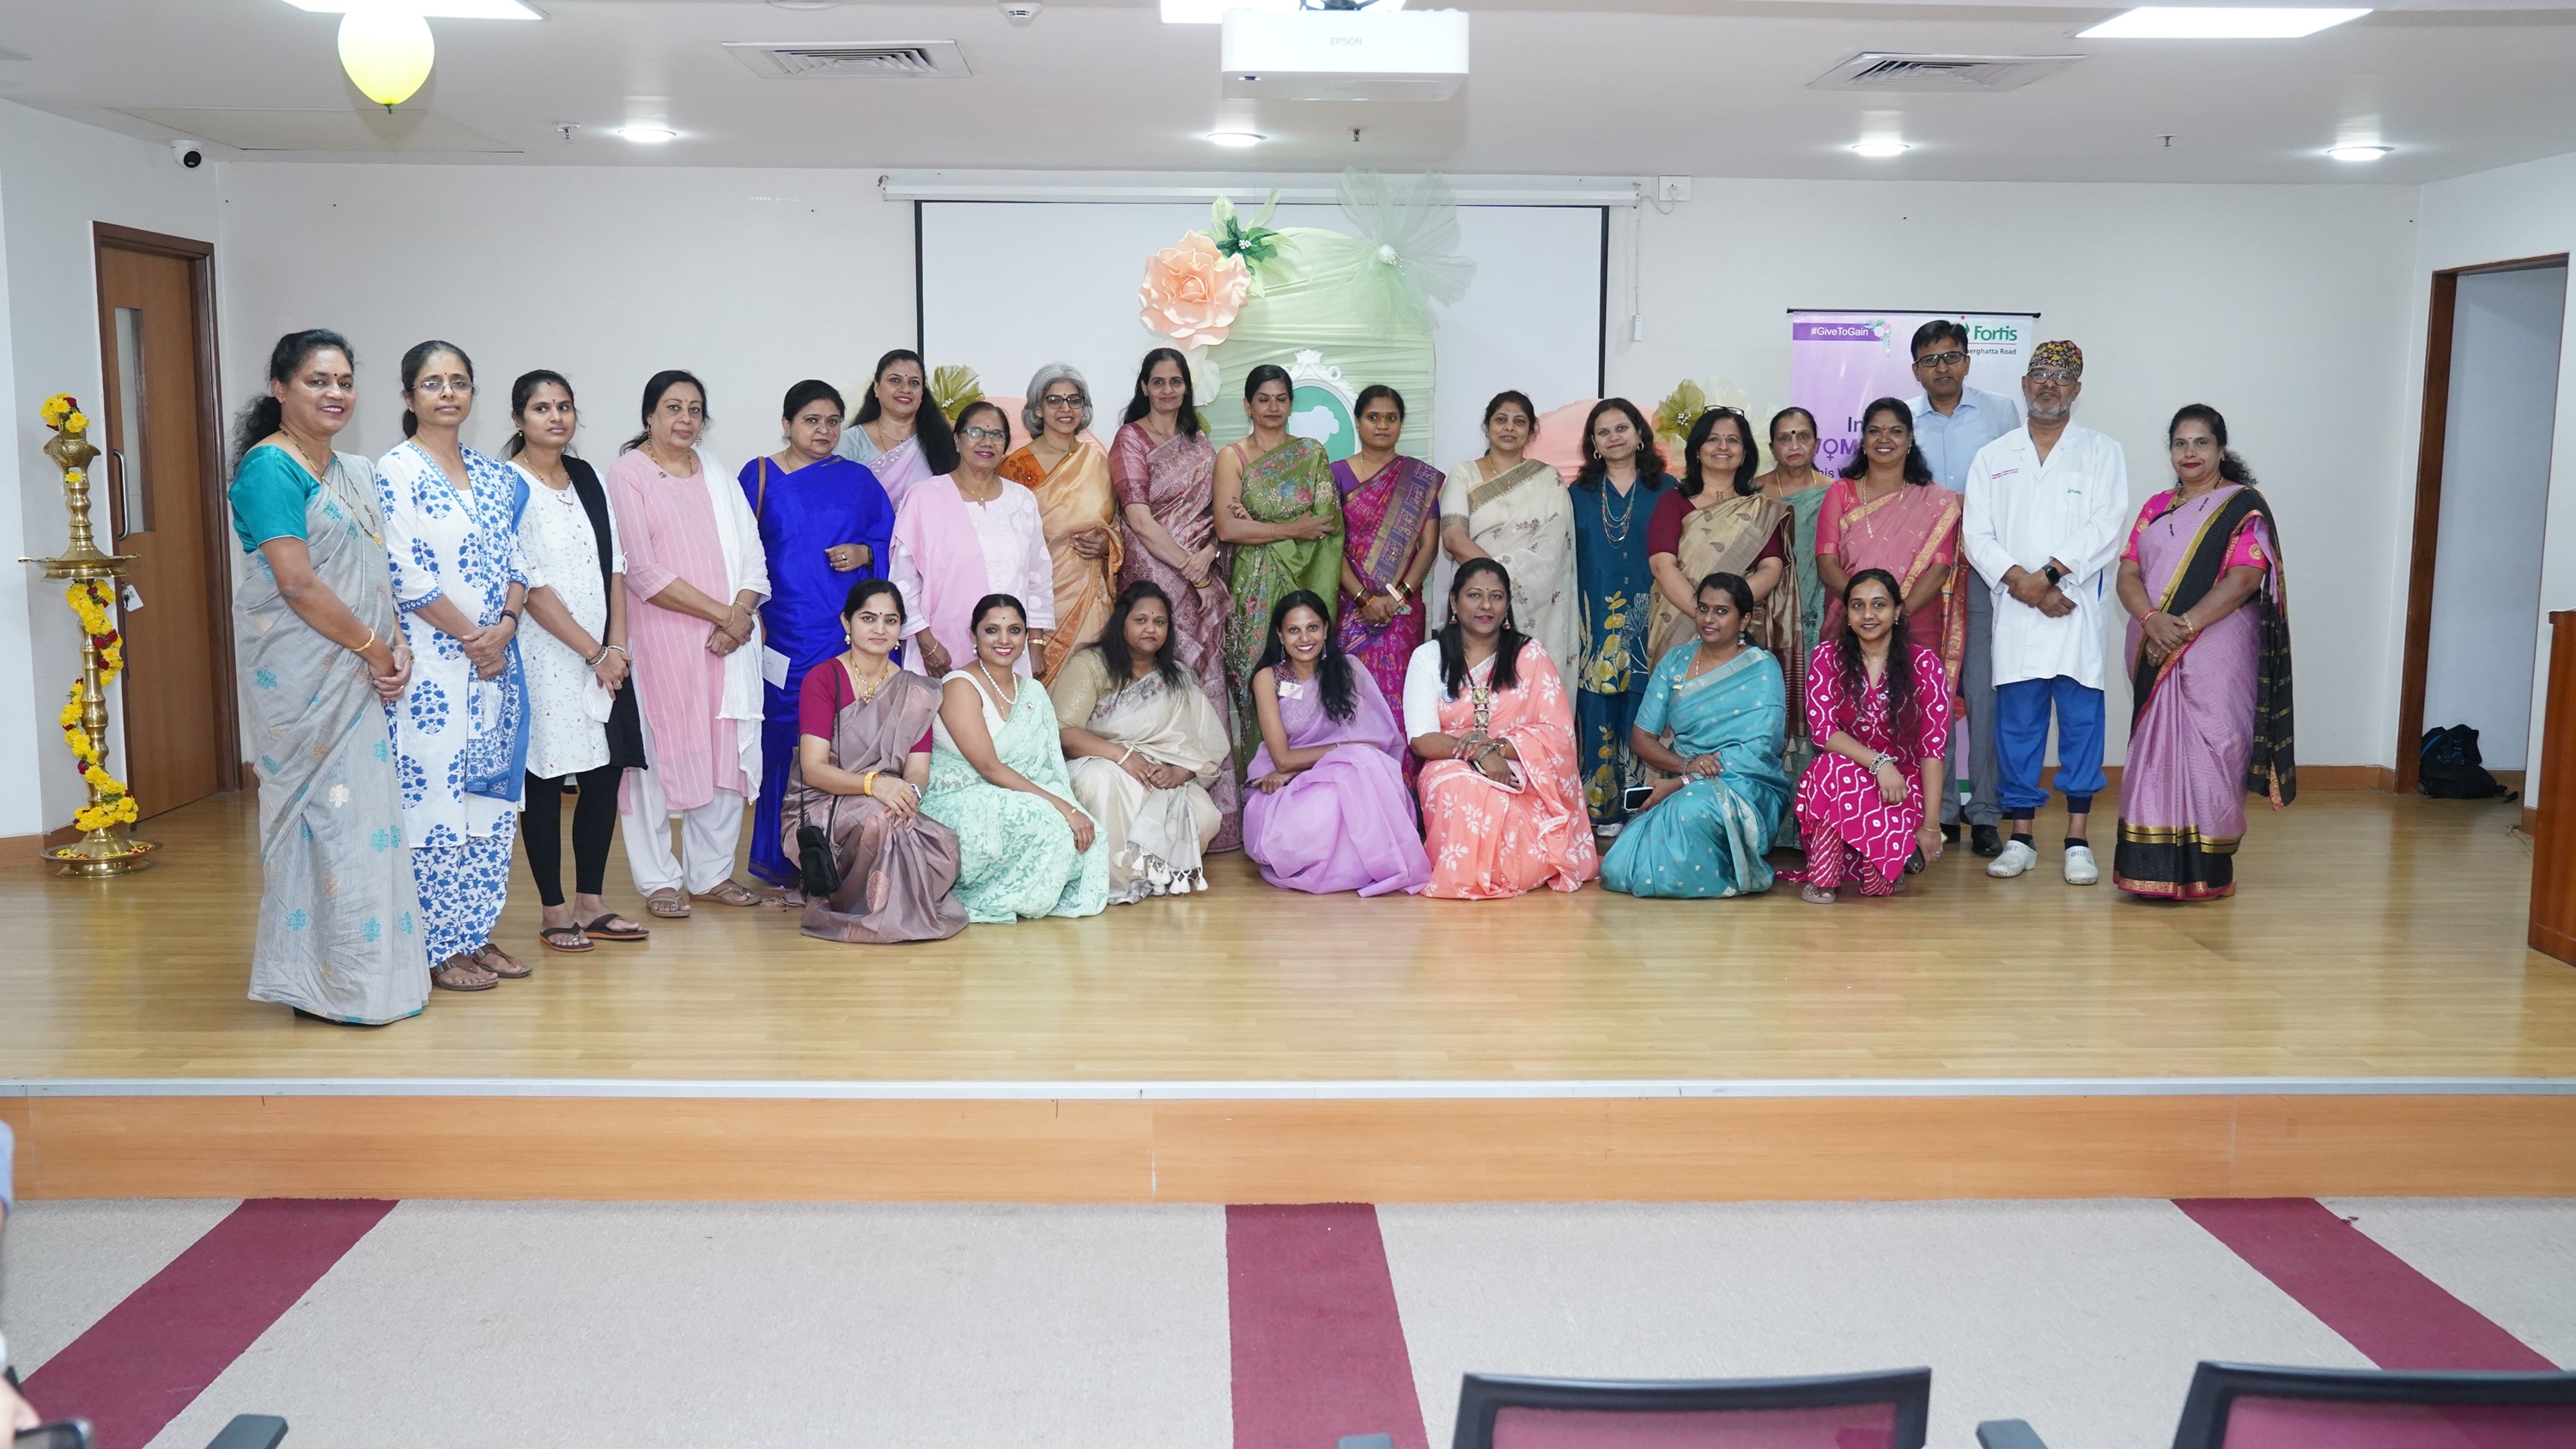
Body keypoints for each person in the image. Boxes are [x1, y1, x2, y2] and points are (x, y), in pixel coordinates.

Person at [228, 329, 427, 1023]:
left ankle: (368, 979)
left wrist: (395, 642)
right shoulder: (270, 470)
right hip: (304, 679)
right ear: (280, 388)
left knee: (368, 826)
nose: (335, 393)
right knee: (329, 824)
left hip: (360, 665)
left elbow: (374, 568)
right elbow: (297, 585)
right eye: (317, 381)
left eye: (344, 381)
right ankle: (325, 986)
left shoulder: (354, 471)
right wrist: (375, 650)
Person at [378, 340, 533, 991]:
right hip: (432, 674)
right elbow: (403, 570)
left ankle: (475, 931)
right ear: (410, 397)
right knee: (433, 803)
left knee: (488, 806)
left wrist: (504, 628)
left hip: (494, 668)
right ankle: (437, 943)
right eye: (434, 382)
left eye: (460, 382)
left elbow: (523, 563)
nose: (448, 393)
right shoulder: (394, 471)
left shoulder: (499, 478)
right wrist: (475, 636)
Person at [1963, 340, 2130, 887]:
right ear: (2024, 384)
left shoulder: (2102, 452)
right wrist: (2026, 585)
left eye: (2061, 378)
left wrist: (2052, 576)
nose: (2048, 385)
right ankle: (2021, 838)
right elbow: (1977, 536)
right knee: (2018, 731)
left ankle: (2078, 839)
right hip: (2018, 611)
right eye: (2040, 376)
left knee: (2082, 728)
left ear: (2076, 391)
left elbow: (2107, 525)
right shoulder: (1994, 457)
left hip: (2074, 610)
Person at [2112, 405, 2297, 900]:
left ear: (2221, 449)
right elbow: (2128, 573)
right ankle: (2147, 870)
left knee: (2217, 747)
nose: (2189, 453)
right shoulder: (2155, 507)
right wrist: (2154, 621)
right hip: (2156, 641)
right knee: (2156, 754)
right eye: (2179, 443)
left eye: (2201, 443)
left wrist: (2184, 625)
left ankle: (2210, 874)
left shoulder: (2242, 506)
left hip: (2218, 649)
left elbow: (2244, 579)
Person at [605, 370, 771, 918]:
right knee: (656, 757)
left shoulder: (718, 472)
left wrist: (740, 615)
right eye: (672, 407)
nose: (684, 419)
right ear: (649, 415)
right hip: (662, 640)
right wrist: (726, 614)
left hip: (729, 642)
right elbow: (642, 571)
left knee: (724, 754)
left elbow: (753, 552)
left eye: (694, 409)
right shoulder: (629, 474)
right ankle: (658, 880)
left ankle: (711, 874)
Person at [507, 370, 649, 954]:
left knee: (603, 774)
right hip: (545, 655)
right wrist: (592, 651)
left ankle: (591, 901)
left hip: (604, 655)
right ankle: (553, 908)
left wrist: (615, 648)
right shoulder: (506, 483)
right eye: (542, 408)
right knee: (543, 778)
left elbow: (613, 566)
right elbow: (531, 586)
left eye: (564, 406)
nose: (556, 417)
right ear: (519, 418)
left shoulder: (587, 476)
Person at [739, 379, 895, 898]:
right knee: (785, 740)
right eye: (811, 420)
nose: (824, 431)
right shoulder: (758, 475)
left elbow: (891, 538)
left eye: (833, 422)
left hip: (843, 631)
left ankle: (841, 858)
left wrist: (865, 554)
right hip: (782, 629)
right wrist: (751, 614)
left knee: (846, 740)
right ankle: (780, 860)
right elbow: (739, 551)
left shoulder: (859, 480)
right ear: (787, 424)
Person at [784, 578, 969, 943]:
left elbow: (918, 769)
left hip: (887, 797)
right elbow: (814, 768)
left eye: (891, 620)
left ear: (901, 629)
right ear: (846, 623)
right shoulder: (824, 679)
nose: (880, 629)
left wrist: (907, 794)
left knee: (927, 835)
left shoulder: (915, 690)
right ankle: (867, 909)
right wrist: (876, 785)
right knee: (881, 819)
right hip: (825, 801)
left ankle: (888, 908)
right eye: (868, 619)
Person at [1406, 560, 1599, 899]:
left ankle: (1508, 871)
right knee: (1463, 788)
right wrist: (1480, 752)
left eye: (1496, 596)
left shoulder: (1529, 655)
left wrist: (1497, 750)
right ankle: (1478, 873)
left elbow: (1558, 734)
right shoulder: (1429, 657)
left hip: (1521, 767)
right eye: (1474, 595)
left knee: (1503, 794)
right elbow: (1422, 739)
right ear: (1454, 602)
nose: (1485, 606)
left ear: (1507, 604)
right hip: (1449, 764)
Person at [1111, 347, 1241, 850]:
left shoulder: (1198, 440)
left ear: (1187, 386)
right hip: (1154, 571)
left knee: (1205, 684)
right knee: (1162, 678)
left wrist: (1206, 555)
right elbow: (1139, 519)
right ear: (1144, 386)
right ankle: (1153, 817)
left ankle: (1213, 819)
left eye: (1176, 381)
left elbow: (1217, 513)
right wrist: (1187, 563)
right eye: (1158, 381)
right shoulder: (1130, 439)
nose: (1168, 390)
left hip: (1201, 573)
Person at [1600, 571, 1793, 899]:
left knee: (1689, 810)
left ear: (1744, 619)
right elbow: (1641, 737)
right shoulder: (1675, 661)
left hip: (1746, 786)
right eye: (1703, 608)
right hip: (1681, 780)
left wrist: (1684, 782)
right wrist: (1685, 766)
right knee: (1617, 867)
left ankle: (1724, 876)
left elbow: (1760, 750)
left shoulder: (1762, 667)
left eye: (1722, 611)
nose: (1709, 619)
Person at [1905, 320, 2022, 857]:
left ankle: (1986, 813)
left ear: (1968, 362)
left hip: (1984, 568)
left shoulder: (1999, 412)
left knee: (1984, 690)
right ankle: (1942, 810)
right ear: (1916, 370)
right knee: (1933, 691)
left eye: (1951, 356)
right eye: (1931, 360)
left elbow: (2017, 490)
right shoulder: (1902, 419)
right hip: (1926, 573)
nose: (1943, 367)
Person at [919, 594, 1110, 921]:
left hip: (1012, 793)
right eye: (992, 630)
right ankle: (983, 897)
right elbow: (988, 767)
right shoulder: (959, 685)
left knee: (1091, 831)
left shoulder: (1032, 691)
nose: (1004, 640)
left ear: (1026, 636)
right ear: (973, 635)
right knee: (1046, 818)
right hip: (958, 798)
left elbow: (1046, 768)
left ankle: (1029, 894)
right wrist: (1064, 808)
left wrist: (1069, 807)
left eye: (1015, 630)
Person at [1242, 591, 1431, 896]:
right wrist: (1340, 753)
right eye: (1294, 630)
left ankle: (1360, 867)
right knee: (1326, 804)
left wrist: (1341, 755)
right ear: (1280, 635)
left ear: (1326, 629)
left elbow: (1375, 744)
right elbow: (1284, 760)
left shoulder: (1349, 670)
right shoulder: (1268, 678)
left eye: (1312, 627)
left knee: (1359, 776)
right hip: (1278, 781)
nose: (1304, 638)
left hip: (1338, 772)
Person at [1055, 582, 1231, 901]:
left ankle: (1153, 877)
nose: (1151, 628)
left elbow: (1205, 745)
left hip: (1162, 776)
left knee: (1205, 815)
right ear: (1121, 621)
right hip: (1102, 762)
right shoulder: (1091, 664)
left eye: (1160, 622)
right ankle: (1113, 880)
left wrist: (1180, 773)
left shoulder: (1178, 675)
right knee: (1101, 780)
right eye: (1141, 620)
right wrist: (1122, 757)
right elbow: (1064, 730)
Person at [1792, 569, 1953, 904]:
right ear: (1847, 615)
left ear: (1897, 612)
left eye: (1878, 605)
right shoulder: (1827, 657)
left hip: (1902, 787)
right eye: (1857, 606)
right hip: (1846, 777)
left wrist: (1932, 826)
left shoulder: (1925, 664)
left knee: (1879, 888)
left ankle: (1887, 861)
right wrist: (1879, 764)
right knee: (1829, 767)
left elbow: (1933, 749)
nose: (1867, 615)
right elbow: (1823, 732)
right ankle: (1824, 879)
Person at [1216, 363, 1343, 763]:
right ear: (1248, 405)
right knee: (1255, 679)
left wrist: (1259, 525)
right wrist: (1292, 527)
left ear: (1291, 404)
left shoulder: (1310, 454)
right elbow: (1227, 528)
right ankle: (1258, 783)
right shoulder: (1232, 456)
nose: (1273, 407)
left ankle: (1304, 772)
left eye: (1281, 398)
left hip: (1302, 585)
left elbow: (1325, 526)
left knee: (1302, 677)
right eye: (1263, 399)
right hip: (1250, 589)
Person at [889, 399, 1056, 679]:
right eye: (976, 432)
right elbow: (903, 579)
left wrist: (1036, 643)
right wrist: (926, 643)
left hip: (1010, 649)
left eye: (996, 434)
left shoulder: (1022, 500)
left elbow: (1037, 578)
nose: (986, 442)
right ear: (957, 441)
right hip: (942, 649)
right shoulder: (924, 496)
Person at [1569, 397, 1671, 834]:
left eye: (1621, 428)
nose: (1614, 437)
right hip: (1596, 616)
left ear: (1639, 433)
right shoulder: (1577, 494)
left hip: (1652, 615)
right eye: (1603, 431)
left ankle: (1643, 809)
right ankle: (1601, 811)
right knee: (1597, 705)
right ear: (1593, 443)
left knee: (1646, 707)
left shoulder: (1667, 489)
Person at [1432, 390, 1581, 673]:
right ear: (1487, 427)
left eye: (1519, 421)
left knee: (1527, 684)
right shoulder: (1463, 473)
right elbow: (1453, 538)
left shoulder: (1548, 479)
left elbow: (1551, 548)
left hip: (1535, 606)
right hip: (1474, 596)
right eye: (1501, 420)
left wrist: (1501, 587)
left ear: (1531, 431)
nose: (1509, 428)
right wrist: (1492, 587)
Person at [1643, 406, 1798, 679]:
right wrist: (1707, 615)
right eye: (1713, 439)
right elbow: (1662, 566)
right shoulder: (1673, 501)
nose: (1722, 446)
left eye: (1733, 440)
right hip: (1679, 623)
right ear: (1697, 450)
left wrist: (1728, 614)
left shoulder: (1761, 509)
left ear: (1745, 453)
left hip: (1739, 634)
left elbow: (1771, 569)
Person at [1814, 397, 1964, 680]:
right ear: (1863, 440)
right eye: (1874, 431)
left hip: (1914, 620)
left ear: (1910, 439)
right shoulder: (1841, 492)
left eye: (1895, 431)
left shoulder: (1936, 501)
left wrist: (1897, 614)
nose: (1884, 438)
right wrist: (1864, 609)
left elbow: (1939, 568)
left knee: (1914, 709)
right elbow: (1826, 564)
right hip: (1851, 622)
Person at [1002, 363, 1122, 683]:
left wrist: (1108, 546)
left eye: (1074, 400)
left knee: (1091, 690)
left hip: (1092, 599)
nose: (1065, 408)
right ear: (1038, 409)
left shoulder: (1098, 462)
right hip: (1041, 602)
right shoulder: (1015, 467)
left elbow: (1120, 524)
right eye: (1054, 400)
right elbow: (1005, 543)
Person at [1332, 385, 1443, 712]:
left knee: (1400, 697)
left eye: (1391, 418)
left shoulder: (1418, 478)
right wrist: (1363, 598)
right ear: (1358, 422)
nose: (1382, 425)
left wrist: (1397, 598)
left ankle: (1402, 766)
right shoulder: (1335, 474)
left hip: (1402, 610)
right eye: (1373, 417)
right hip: (1348, 604)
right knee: (1352, 699)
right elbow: (1329, 545)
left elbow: (1429, 545)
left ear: (1400, 424)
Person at [836, 348, 959, 510]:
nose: (905, 389)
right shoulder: (851, 441)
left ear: (922, 393)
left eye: (914, 383)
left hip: (927, 534)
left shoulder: (941, 441)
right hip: (865, 535)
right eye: (895, 380)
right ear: (876, 388)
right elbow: (836, 499)